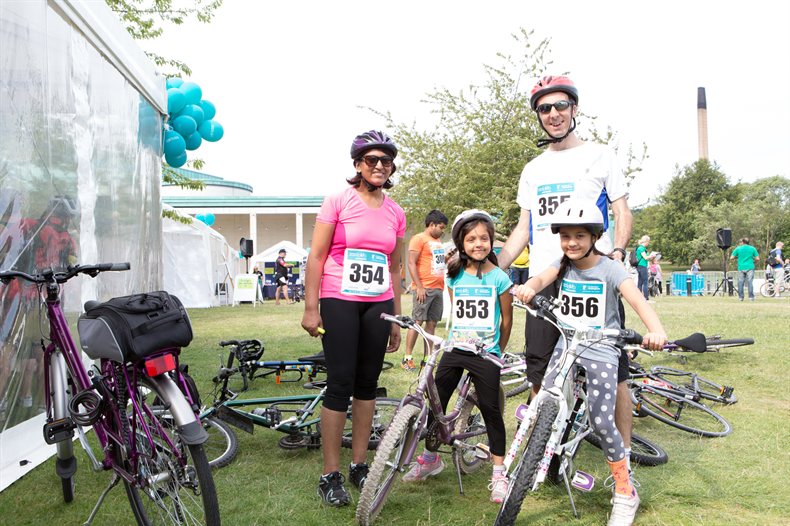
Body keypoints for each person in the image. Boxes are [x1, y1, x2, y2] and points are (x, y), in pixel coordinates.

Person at [496, 75, 635, 473]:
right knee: (540, 370)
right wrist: (488, 269)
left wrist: (619, 254)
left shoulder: (600, 155)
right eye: (545, 108)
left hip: (591, 280)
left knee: (614, 372)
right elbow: (524, 228)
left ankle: (621, 462)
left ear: (574, 110)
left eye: (560, 106)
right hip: (544, 281)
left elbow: (622, 211)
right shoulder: (533, 168)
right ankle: (547, 450)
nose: (553, 114)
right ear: (538, 116)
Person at [514, 199, 667, 526]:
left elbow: (637, 299)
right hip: (567, 345)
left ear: (595, 237)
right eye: (565, 236)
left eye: (580, 236)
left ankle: (625, 491)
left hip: (602, 349)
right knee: (546, 400)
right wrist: (528, 287)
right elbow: (541, 279)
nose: (571, 242)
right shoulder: (562, 264)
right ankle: (537, 458)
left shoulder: (610, 269)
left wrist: (656, 330)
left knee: (600, 420)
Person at [301, 130, 405, 507]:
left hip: (377, 302)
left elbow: (394, 269)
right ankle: (330, 473)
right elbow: (316, 256)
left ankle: (360, 464)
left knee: (368, 383)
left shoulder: (396, 212)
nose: (379, 166)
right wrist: (311, 307)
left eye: (386, 161)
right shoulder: (338, 201)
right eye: (371, 160)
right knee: (340, 381)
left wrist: (396, 316)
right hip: (338, 297)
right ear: (358, 165)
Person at [402, 210, 513, 503]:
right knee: (435, 402)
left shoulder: (500, 278)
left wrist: (496, 351)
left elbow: (506, 321)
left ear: (491, 241)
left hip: (485, 353)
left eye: (484, 238)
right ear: (461, 243)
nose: (479, 244)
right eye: (472, 239)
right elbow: (455, 311)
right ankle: (429, 459)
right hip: (455, 349)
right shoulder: (454, 275)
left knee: (490, 409)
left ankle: (499, 472)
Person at [402, 209, 449, 371]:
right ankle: (407, 358)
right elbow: (411, 263)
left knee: (431, 324)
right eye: (441, 228)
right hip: (424, 288)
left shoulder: (437, 243)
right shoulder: (418, 239)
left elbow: (438, 263)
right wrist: (419, 287)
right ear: (432, 224)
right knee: (417, 322)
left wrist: (448, 257)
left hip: (438, 288)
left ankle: (427, 358)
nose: (442, 231)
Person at [634, 235, 655, 300]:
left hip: (640, 266)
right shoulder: (641, 248)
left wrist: (652, 257)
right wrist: (651, 255)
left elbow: (646, 258)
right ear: (646, 241)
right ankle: (646, 297)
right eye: (648, 242)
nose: (648, 243)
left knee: (640, 282)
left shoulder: (640, 248)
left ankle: (639, 296)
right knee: (645, 282)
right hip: (642, 266)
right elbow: (645, 257)